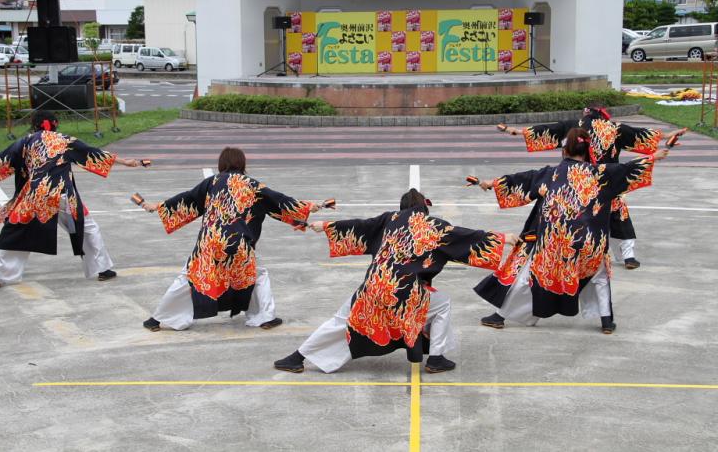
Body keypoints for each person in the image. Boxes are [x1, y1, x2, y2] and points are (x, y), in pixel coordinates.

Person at [274, 189, 517, 374]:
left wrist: (323, 226)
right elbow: (466, 237)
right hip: (406, 292)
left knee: (342, 320)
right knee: (442, 304)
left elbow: (359, 226)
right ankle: (435, 358)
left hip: (373, 287)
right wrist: (504, 238)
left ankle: (297, 357)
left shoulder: (388, 219)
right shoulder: (434, 226)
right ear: (424, 208)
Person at [474, 128, 669, 334]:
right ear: (586, 151)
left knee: (529, 274)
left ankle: (499, 315)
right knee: (600, 274)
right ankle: (606, 321)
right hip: (589, 245)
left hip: (553, 246)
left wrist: (491, 183)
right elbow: (628, 169)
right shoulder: (601, 173)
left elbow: (520, 180)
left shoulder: (549, 174)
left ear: (564, 150)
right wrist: (654, 157)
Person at [0, 110, 145, 288]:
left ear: (34, 125)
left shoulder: (25, 142)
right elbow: (93, 153)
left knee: (15, 232)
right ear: (55, 123)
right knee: (87, 228)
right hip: (63, 195)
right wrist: (125, 162)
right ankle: (103, 269)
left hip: (35, 197)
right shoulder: (65, 140)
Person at [140, 147, 319, 332]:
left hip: (210, 242)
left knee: (189, 277)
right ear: (242, 163)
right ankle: (265, 317)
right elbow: (279, 201)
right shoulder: (252, 185)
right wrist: (310, 207)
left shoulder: (212, 182)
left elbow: (187, 199)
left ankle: (157, 319)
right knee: (258, 275)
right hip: (237, 243)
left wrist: (158, 207)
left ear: (221, 163)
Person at [499, 102, 685, 269]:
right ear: (603, 114)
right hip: (609, 178)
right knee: (619, 214)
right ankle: (628, 256)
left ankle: (571, 251)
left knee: (573, 217)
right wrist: (668, 135)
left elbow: (547, 131)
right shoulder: (614, 128)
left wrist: (516, 131)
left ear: (585, 113)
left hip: (578, 181)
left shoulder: (574, 126)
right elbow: (640, 135)